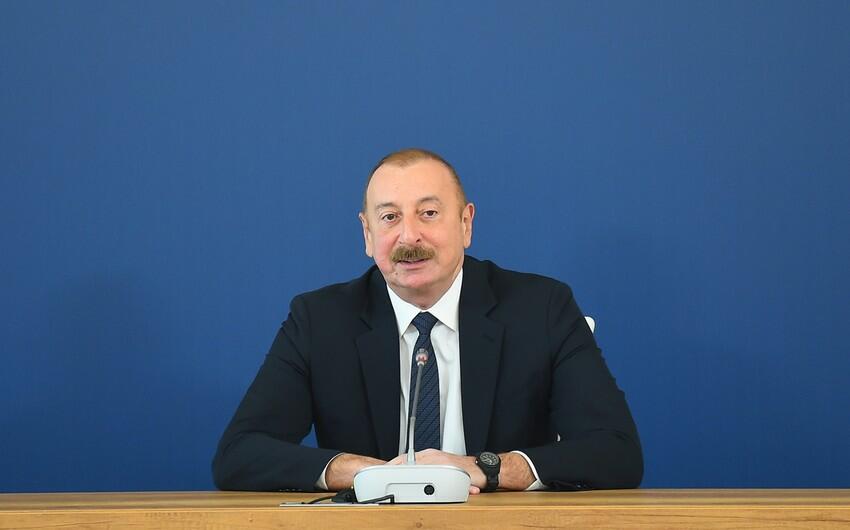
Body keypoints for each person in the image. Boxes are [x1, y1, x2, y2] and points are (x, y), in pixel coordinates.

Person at [212, 148, 642, 493]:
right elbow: (239, 454)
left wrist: (487, 469)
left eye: (429, 213)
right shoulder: (320, 320)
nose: (409, 236)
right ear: (367, 234)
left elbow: (616, 450)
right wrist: (361, 472)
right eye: (389, 217)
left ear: (466, 223)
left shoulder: (541, 308)